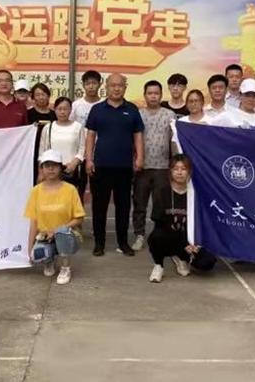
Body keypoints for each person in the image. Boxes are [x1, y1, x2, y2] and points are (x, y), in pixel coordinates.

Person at [85, 73, 144, 257]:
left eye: (120, 85)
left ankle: (123, 242)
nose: (117, 88)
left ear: (125, 87)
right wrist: (88, 159)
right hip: (100, 166)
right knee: (99, 206)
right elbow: (91, 135)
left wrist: (139, 157)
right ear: (107, 87)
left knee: (123, 206)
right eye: (113, 85)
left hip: (124, 167)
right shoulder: (97, 109)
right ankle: (99, 243)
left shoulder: (132, 109)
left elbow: (138, 135)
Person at [148, 154, 217, 283]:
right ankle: (158, 265)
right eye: (176, 169)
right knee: (156, 236)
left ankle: (183, 259)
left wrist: (196, 243)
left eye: (183, 169)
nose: (179, 172)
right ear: (170, 171)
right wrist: (183, 243)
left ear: (189, 172)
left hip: (189, 239)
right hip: (169, 236)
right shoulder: (163, 192)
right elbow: (159, 223)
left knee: (207, 262)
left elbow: (202, 223)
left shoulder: (195, 194)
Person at [26, 149, 85, 285]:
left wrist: (57, 230)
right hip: (46, 236)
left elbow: (79, 218)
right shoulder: (36, 191)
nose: (51, 169)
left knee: (62, 232)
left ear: (60, 168)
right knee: (37, 254)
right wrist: (29, 249)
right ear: (42, 169)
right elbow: (34, 222)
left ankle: (65, 268)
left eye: (55, 165)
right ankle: (48, 261)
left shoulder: (70, 189)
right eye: (47, 166)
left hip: (69, 235)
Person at [131, 81, 176, 251]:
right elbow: (132, 139)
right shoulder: (138, 114)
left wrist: (174, 162)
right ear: (145, 95)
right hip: (142, 167)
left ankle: (159, 235)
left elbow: (174, 140)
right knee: (139, 204)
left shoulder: (169, 114)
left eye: (156, 93)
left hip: (163, 167)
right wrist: (135, 160)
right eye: (150, 93)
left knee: (161, 205)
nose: (153, 96)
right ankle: (139, 235)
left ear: (161, 95)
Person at [38, 97, 86, 195]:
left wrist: (74, 162)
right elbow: (42, 152)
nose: (62, 112)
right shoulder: (48, 128)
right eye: (59, 109)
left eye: (65, 109)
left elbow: (82, 148)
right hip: (52, 171)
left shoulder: (78, 127)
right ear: (55, 110)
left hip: (71, 171)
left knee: (72, 198)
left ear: (70, 110)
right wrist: (41, 172)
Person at [70, 70, 104, 202]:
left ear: (99, 84)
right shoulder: (76, 105)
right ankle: (78, 212)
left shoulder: (104, 104)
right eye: (88, 83)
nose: (91, 86)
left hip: (99, 152)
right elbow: (70, 125)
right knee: (79, 186)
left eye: (94, 83)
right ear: (83, 85)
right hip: (80, 152)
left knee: (98, 187)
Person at [28, 83, 57, 184]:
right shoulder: (28, 114)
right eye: (37, 95)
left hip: (50, 152)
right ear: (33, 98)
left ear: (48, 96)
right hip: (31, 153)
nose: (41, 97)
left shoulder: (54, 115)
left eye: (43, 94)